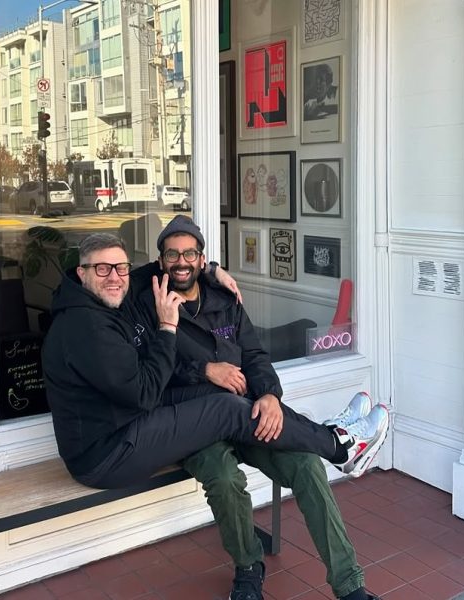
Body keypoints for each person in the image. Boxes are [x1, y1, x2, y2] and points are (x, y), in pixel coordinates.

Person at [133, 215, 387, 600]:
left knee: (306, 464)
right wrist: (205, 370)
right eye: (172, 254)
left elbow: (254, 355)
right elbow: (150, 378)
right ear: (161, 259)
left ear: (202, 259)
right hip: (193, 428)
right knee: (224, 479)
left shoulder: (225, 301)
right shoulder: (148, 304)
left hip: (247, 416)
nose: (181, 262)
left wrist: (269, 394)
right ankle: (249, 567)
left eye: (190, 254)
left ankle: (350, 586)